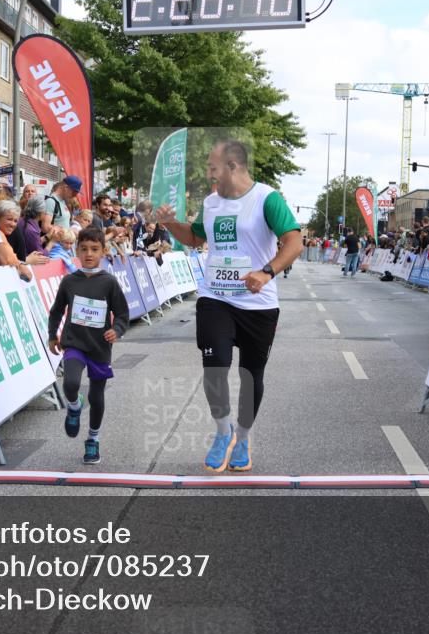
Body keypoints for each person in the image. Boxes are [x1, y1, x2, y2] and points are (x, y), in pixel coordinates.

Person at [157, 139, 302, 472]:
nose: (208, 173)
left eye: (212, 166)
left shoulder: (267, 198)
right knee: (215, 367)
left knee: (252, 375)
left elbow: (294, 240)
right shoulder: (211, 202)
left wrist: (267, 272)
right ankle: (223, 432)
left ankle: (243, 437)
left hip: (257, 302)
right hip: (215, 297)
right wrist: (169, 223)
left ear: (233, 167)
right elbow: (196, 238)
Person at [47, 227, 129, 465]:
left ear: (103, 251)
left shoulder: (109, 283)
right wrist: (53, 335)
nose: (89, 254)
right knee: (71, 383)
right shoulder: (69, 281)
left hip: (100, 347)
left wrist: (118, 330)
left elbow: (122, 314)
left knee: (96, 395)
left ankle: (93, 439)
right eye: (83, 249)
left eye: (94, 249)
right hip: (74, 343)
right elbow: (56, 311)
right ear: (76, 250)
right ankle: (74, 406)